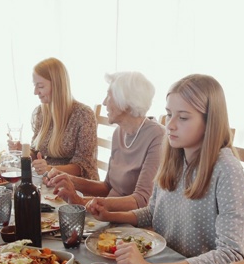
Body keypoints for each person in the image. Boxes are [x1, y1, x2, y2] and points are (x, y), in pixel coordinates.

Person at [88, 74, 244, 264]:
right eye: (168, 114)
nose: (170, 125)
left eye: (182, 117)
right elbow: (153, 212)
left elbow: (231, 256)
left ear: (210, 121)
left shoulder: (227, 170)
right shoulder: (174, 156)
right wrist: (110, 214)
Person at [46, 71, 165, 212]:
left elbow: (141, 201)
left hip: (128, 224)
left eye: (109, 95)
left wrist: (81, 201)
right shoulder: (119, 132)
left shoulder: (157, 136)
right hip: (106, 214)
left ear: (125, 102)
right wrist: (68, 179)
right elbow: (107, 187)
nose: (104, 102)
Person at [27, 57, 98, 180]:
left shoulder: (83, 115)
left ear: (57, 85)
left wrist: (49, 169)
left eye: (40, 86)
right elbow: (36, 152)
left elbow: (83, 167)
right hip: (49, 180)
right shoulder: (41, 112)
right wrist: (23, 152)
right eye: (35, 86)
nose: (35, 92)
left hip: (77, 185)